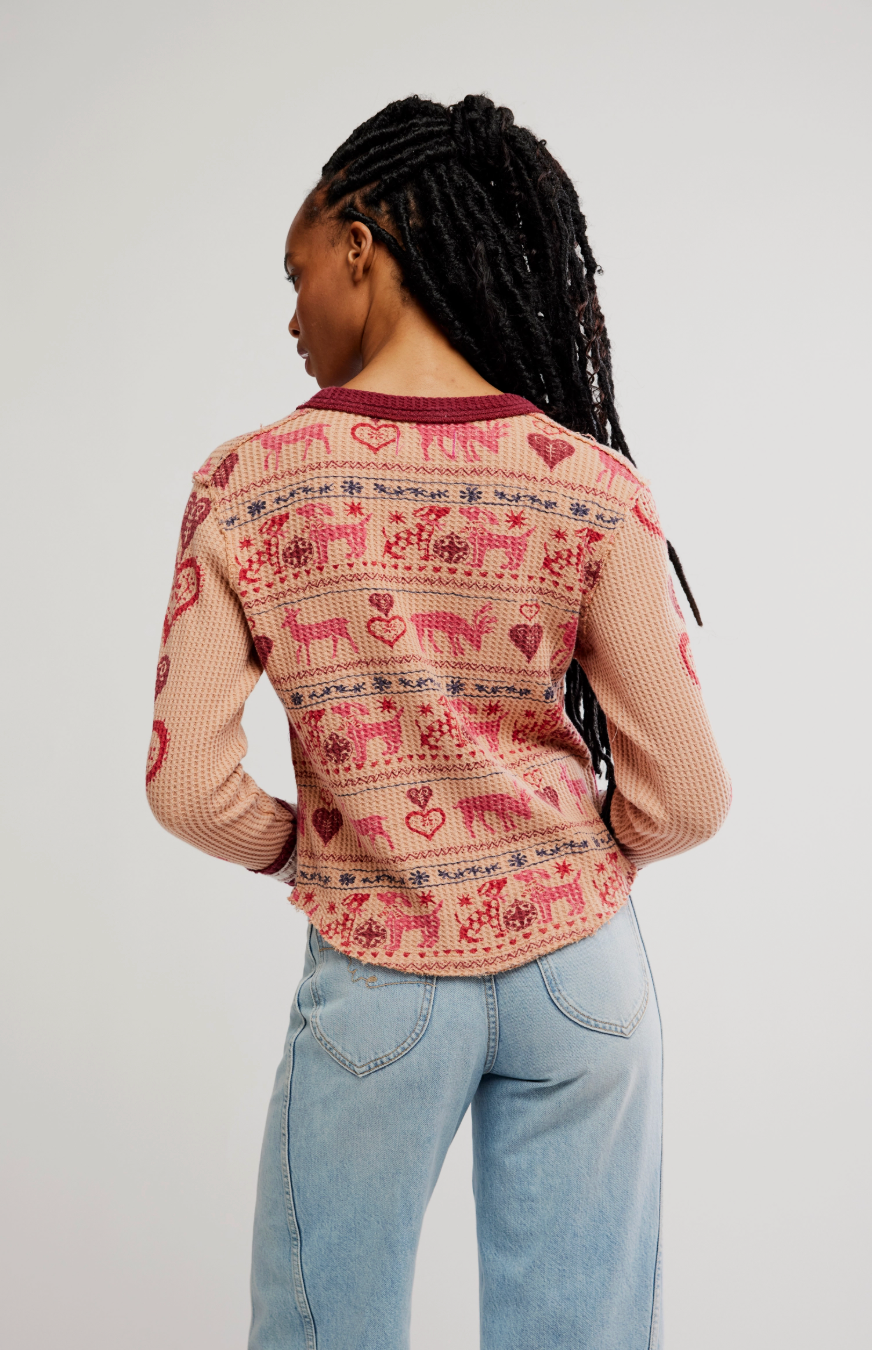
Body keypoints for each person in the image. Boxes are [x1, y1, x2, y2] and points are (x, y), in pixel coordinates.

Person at [146, 93, 730, 1350]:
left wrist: (306, 850)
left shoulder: (244, 486)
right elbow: (687, 796)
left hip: (378, 967)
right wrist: (572, 858)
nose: (290, 314)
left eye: (297, 272)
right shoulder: (591, 487)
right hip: (584, 978)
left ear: (359, 248)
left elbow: (186, 787)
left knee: (322, 1329)